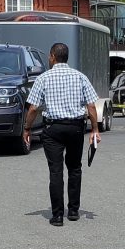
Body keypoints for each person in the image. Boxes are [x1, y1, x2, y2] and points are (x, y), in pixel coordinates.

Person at [23, 43, 101, 227]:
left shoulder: (43, 78)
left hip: (53, 129)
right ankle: (73, 211)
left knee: (55, 171)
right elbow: (91, 105)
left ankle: (57, 215)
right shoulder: (80, 76)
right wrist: (95, 129)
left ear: (52, 56)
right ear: (67, 57)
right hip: (75, 127)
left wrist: (27, 129)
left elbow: (33, 107)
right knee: (75, 168)